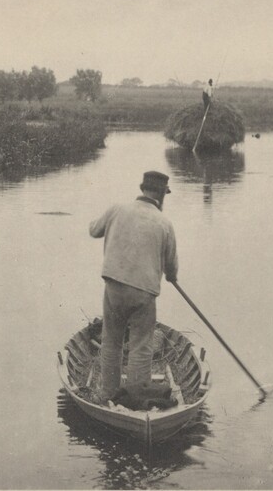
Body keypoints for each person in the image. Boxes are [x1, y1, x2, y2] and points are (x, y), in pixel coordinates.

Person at [89, 171, 179, 402]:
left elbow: (94, 230)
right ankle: (136, 397)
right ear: (162, 195)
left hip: (114, 286)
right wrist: (172, 276)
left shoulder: (117, 209)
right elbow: (171, 265)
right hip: (144, 293)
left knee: (112, 341)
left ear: (142, 189)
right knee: (141, 345)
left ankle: (108, 393)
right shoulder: (164, 223)